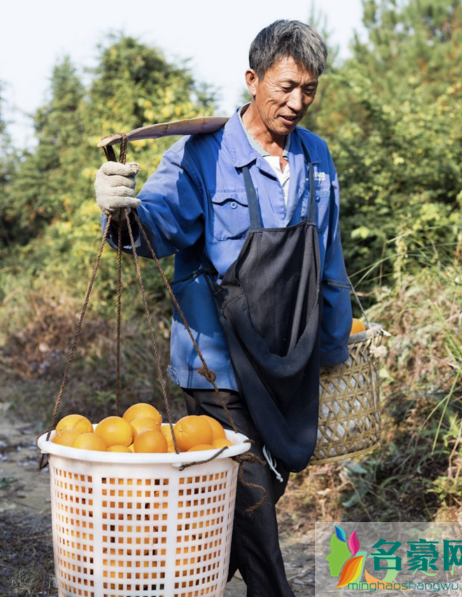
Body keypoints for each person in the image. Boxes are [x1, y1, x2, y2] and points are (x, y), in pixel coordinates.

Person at [95, 20, 352, 597]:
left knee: (249, 494)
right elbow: (156, 223)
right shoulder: (202, 155)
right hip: (216, 361)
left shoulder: (316, 159)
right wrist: (120, 210)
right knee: (254, 497)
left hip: (286, 356)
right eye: (285, 86)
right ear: (252, 78)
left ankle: (175, 577)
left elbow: (328, 262)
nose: (296, 102)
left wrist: (334, 348)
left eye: (309, 90)